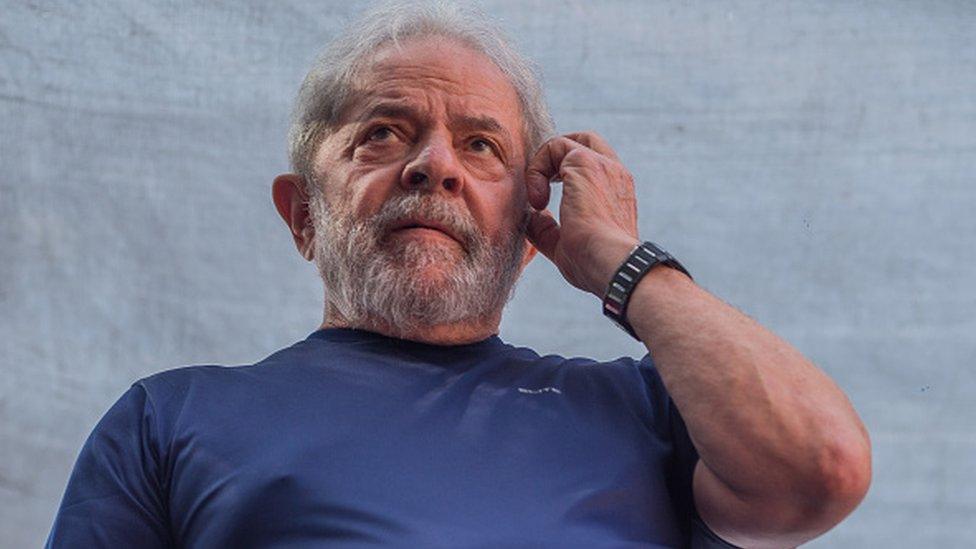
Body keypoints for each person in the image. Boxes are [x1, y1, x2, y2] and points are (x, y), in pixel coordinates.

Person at [46, 2, 871, 548]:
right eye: (382, 132)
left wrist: (626, 261)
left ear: (525, 235)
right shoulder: (169, 419)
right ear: (303, 214)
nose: (434, 165)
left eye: (481, 145)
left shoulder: (646, 408)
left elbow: (821, 468)